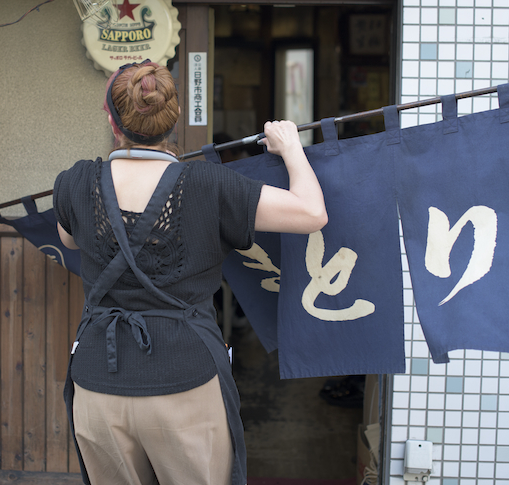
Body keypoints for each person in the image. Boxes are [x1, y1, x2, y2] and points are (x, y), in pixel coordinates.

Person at [53, 60, 327, 485]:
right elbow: (311, 213)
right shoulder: (209, 184)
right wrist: (290, 147)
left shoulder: (74, 182)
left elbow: (70, 241)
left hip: (96, 379)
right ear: (173, 117)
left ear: (112, 119)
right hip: (185, 375)